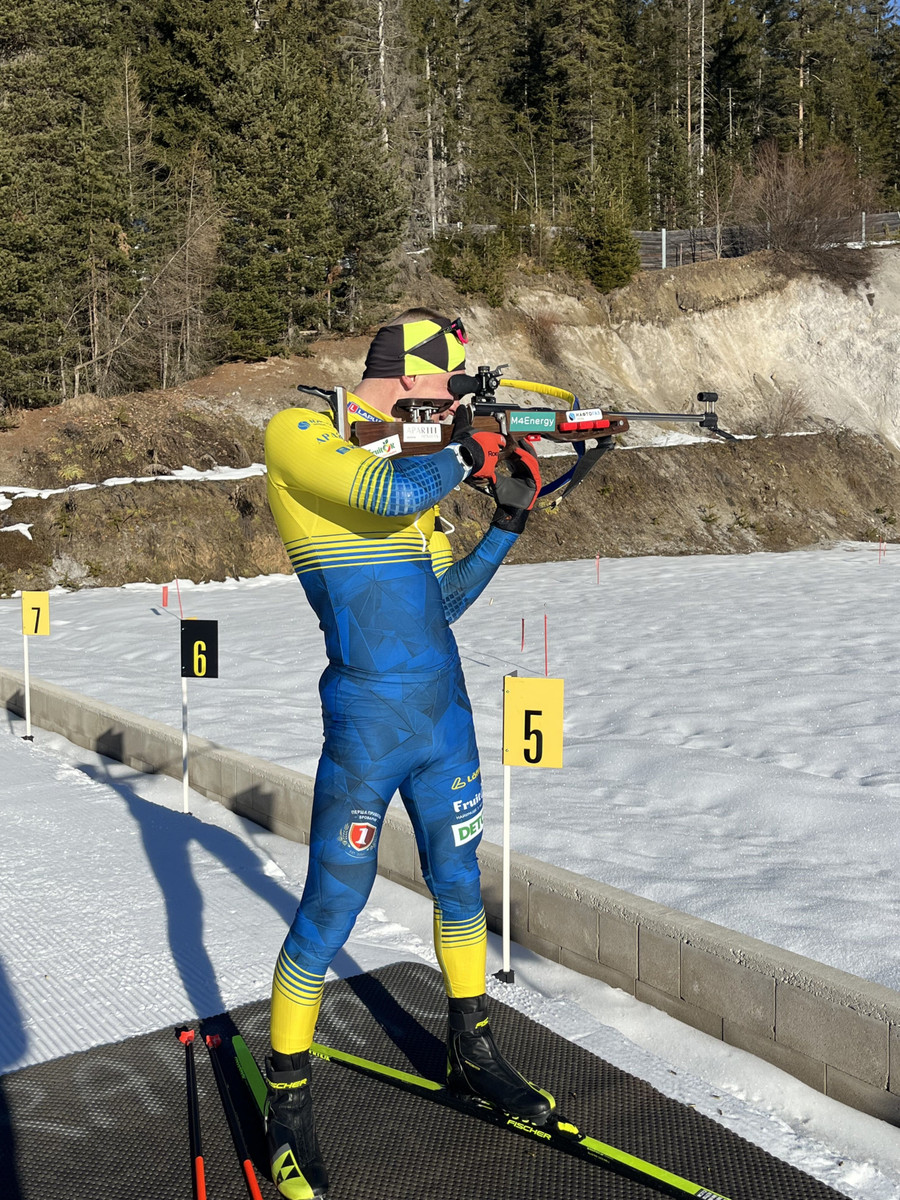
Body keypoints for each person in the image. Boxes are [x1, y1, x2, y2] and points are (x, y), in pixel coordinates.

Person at [262, 309, 547, 1198]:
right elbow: (381, 493)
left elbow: (441, 602)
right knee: (331, 908)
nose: (456, 405)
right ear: (412, 379)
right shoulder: (302, 434)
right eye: (450, 389)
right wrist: (468, 453)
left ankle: (473, 1048)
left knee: (461, 887)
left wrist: (507, 521)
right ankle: (287, 1103)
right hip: (367, 724)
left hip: (443, 716)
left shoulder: (416, 469)